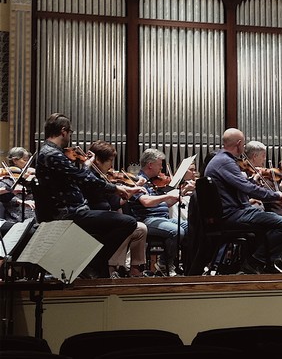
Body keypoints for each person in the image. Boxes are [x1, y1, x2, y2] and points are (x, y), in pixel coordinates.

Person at [34, 113, 140, 278]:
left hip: (72, 210)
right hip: (69, 213)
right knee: (127, 222)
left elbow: (75, 177)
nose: (70, 137)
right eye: (70, 133)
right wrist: (113, 187)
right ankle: (92, 263)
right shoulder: (52, 154)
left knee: (115, 223)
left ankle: (93, 265)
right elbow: (83, 179)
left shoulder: (49, 152)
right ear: (63, 131)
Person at [204, 128, 282, 274]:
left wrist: (276, 193)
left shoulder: (221, 160)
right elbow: (248, 188)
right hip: (233, 215)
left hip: (233, 212)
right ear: (239, 144)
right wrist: (276, 195)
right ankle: (256, 262)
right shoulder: (225, 162)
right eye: (244, 143)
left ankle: (267, 264)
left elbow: (245, 186)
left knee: (280, 223)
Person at [85, 140, 149, 278]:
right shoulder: (90, 178)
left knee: (141, 228)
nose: (112, 165)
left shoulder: (102, 177)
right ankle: (112, 267)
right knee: (124, 224)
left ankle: (135, 269)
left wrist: (130, 193)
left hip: (106, 217)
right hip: (93, 220)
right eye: (109, 161)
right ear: (97, 160)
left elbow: (114, 204)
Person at [128, 149, 188, 277]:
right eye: (159, 164)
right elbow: (146, 202)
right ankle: (163, 263)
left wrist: (179, 194)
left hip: (162, 218)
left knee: (190, 227)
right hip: (147, 219)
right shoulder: (138, 180)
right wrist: (165, 197)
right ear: (150, 164)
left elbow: (162, 204)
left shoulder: (152, 182)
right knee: (177, 231)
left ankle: (186, 264)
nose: (161, 167)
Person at [0, 147, 36, 223]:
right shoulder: (6, 178)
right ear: (15, 160)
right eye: (24, 160)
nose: (27, 163)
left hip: (33, 211)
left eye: (28, 160)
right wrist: (20, 201)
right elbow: (4, 199)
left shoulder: (27, 176)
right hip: (15, 215)